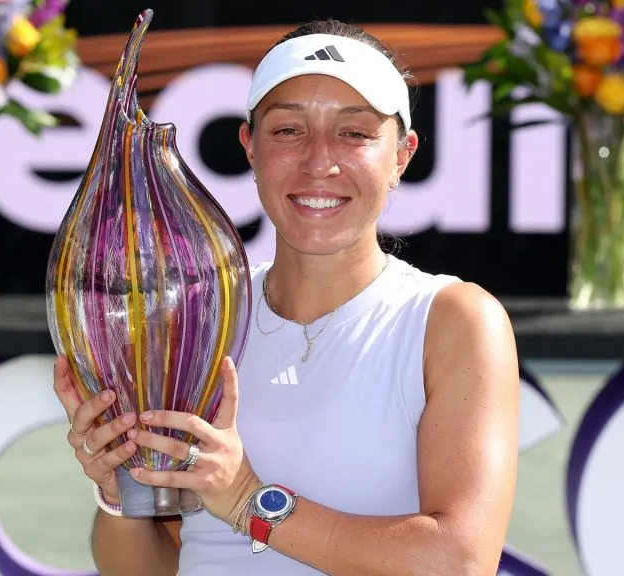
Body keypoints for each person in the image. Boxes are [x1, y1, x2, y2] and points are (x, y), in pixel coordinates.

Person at [52, 18, 520, 576]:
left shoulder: (453, 320)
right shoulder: (194, 317)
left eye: (355, 133)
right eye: (288, 131)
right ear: (250, 146)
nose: (320, 161)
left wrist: (249, 500)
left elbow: (459, 560)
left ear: (402, 154)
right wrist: (117, 490)